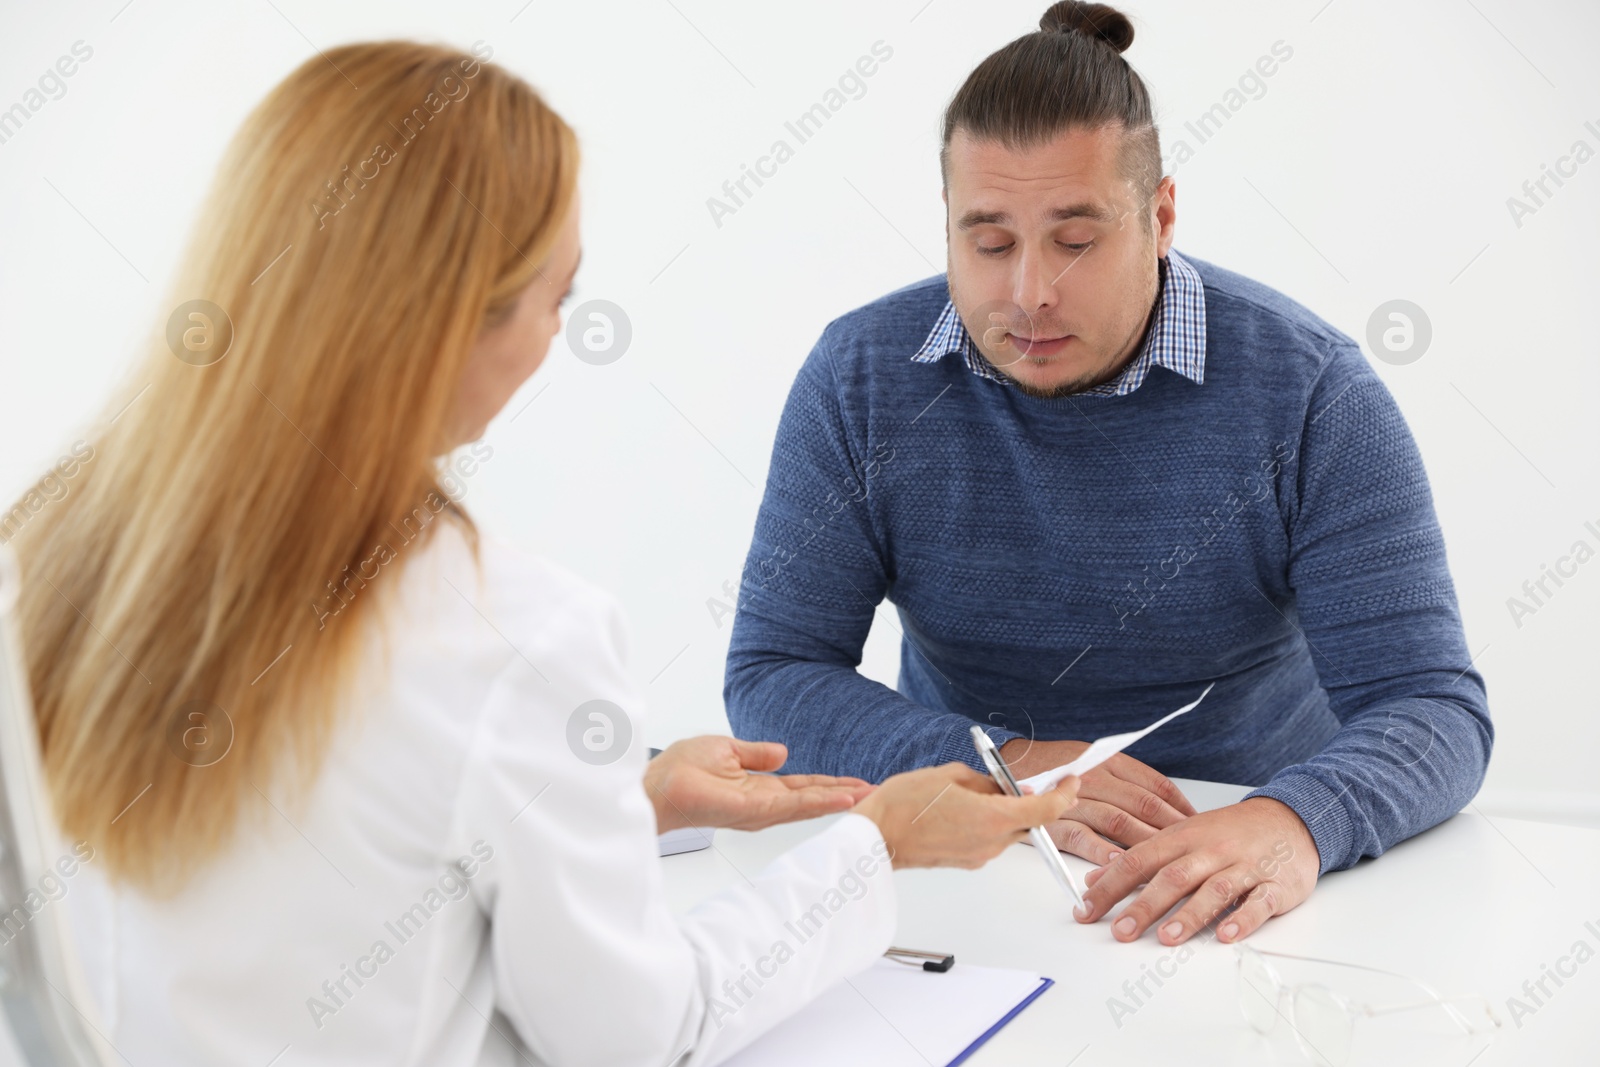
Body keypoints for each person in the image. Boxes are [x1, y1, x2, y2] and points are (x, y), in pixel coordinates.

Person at [8, 41, 1078, 1066]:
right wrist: (876, 845)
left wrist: (620, 802)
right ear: (443, 326)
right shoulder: (506, 634)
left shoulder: (44, 550)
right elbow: (638, 1033)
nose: (559, 337)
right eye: (554, 297)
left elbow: (327, 859)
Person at [725, 0, 1492, 950]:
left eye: (1077, 239)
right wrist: (1004, 766)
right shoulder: (860, 378)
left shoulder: (1313, 393)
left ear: (1161, 214)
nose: (1029, 292)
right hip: (967, 860)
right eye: (991, 240)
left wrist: (1294, 822)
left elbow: (1434, 708)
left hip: (1232, 874)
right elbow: (773, 672)